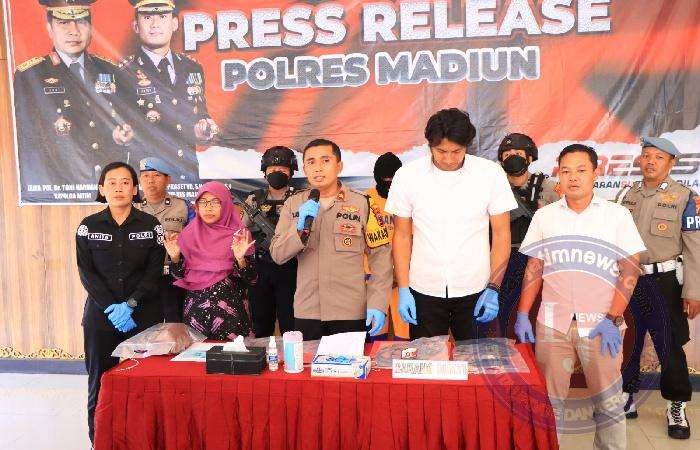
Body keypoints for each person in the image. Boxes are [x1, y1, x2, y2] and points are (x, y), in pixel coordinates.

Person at [515, 144, 645, 450]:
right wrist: (522, 313)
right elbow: (534, 268)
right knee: (550, 403)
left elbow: (630, 270)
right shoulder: (545, 216)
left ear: (595, 173)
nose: (573, 177)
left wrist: (613, 318)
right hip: (553, 325)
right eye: (566, 171)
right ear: (559, 175)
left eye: (581, 170)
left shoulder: (616, 215)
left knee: (609, 403)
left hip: (602, 325)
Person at [385, 108, 516, 340]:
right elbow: (402, 236)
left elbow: (501, 234)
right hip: (423, 288)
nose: (448, 159)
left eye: (456, 151)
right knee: (426, 358)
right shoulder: (407, 176)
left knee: (475, 360)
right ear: (429, 145)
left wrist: (494, 287)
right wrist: (404, 288)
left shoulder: (490, 174)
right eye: (441, 151)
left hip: (477, 287)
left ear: (467, 146)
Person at [615, 137, 700, 439]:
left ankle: (676, 405)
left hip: (665, 282)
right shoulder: (626, 194)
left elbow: (694, 247)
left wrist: (694, 291)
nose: (650, 161)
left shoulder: (685, 197)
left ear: (672, 162)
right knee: (628, 342)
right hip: (628, 281)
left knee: (670, 345)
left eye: (659, 157)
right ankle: (626, 395)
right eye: (646, 155)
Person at [76, 161, 165, 443]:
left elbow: (154, 271)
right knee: (100, 382)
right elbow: (86, 273)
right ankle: (99, 441)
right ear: (102, 189)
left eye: (125, 182)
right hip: (100, 319)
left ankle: (142, 442)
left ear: (135, 189)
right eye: (111, 182)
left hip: (143, 317)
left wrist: (131, 304)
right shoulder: (88, 227)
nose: (118, 188)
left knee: (144, 384)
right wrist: (112, 308)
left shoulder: (152, 226)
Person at [270, 138, 393, 340]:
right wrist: (298, 227)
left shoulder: (363, 203)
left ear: (339, 166)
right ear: (305, 169)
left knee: (349, 363)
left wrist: (378, 303)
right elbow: (278, 254)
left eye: (325, 160)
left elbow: (381, 258)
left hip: (350, 311)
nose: (318, 168)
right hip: (307, 311)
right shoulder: (293, 204)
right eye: (311, 162)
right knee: (308, 362)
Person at [14, 0, 133, 202]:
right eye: (63, 23)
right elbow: (27, 141)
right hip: (58, 189)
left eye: (81, 22)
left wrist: (122, 137)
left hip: (107, 188)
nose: (74, 31)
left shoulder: (110, 70)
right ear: (49, 29)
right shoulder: (30, 75)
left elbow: (124, 128)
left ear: (91, 28)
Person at [119, 0, 219, 181]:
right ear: (136, 26)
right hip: (147, 174)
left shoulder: (192, 67)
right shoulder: (123, 71)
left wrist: (204, 130)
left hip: (186, 172)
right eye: (147, 17)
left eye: (162, 16)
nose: (155, 24)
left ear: (174, 24)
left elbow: (199, 114)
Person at [165, 181, 257, 340]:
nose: (208, 207)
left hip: (232, 318)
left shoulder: (240, 235)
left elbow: (252, 279)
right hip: (195, 316)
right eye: (203, 202)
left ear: (226, 204)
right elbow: (178, 277)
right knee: (195, 356)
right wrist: (174, 257)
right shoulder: (188, 235)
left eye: (215, 201)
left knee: (232, 356)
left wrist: (240, 259)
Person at [496, 133, 560, 337]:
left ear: (530, 157)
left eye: (518, 152)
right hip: (503, 259)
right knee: (502, 317)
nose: (512, 157)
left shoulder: (548, 187)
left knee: (535, 316)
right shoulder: (493, 187)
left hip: (539, 259)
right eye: (507, 154)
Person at [244, 146, 299, 337]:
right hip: (261, 266)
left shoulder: (299, 197)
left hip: (291, 266)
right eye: (273, 169)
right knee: (261, 323)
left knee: (291, 322)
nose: (277, 172)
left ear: (291, 172)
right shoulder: (254, 199)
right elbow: (243, 230)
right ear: (265, 172)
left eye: (282, 169)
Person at [135, 157, 195, 321]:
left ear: (168, 179)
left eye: (156, 175)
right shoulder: (132, 208)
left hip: (172, 277)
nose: (150, 180)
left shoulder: (183, 207)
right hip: (140, 278)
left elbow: (196, 241)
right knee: (144, 327)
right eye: (146, 176)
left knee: (174, 326)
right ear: (140, 180)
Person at [364, 152, 409, 339]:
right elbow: (360, 240)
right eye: (385, 179)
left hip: (403, 278)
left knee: (404, 330)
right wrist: (368, 271)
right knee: (376, 330)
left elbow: (414, 239)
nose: (389, 183)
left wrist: (404, 272)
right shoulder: (365, 199)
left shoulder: (407, 198)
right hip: (374, 275)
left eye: (393, 179)